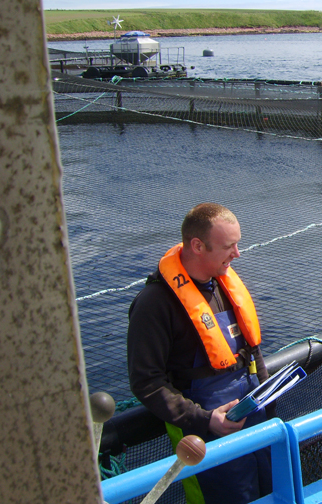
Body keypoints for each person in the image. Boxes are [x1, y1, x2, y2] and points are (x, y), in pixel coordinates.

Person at [127, 203, 271, 504]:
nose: (237, 254)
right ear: (197, 246)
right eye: (228, 246)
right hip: (203, 434)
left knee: (271, 488)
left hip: (254, 415)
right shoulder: (154, 304)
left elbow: (252, 350)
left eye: (237, 244)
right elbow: (146, 381)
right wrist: (206, 420)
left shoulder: (223, 284)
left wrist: (267, 393)